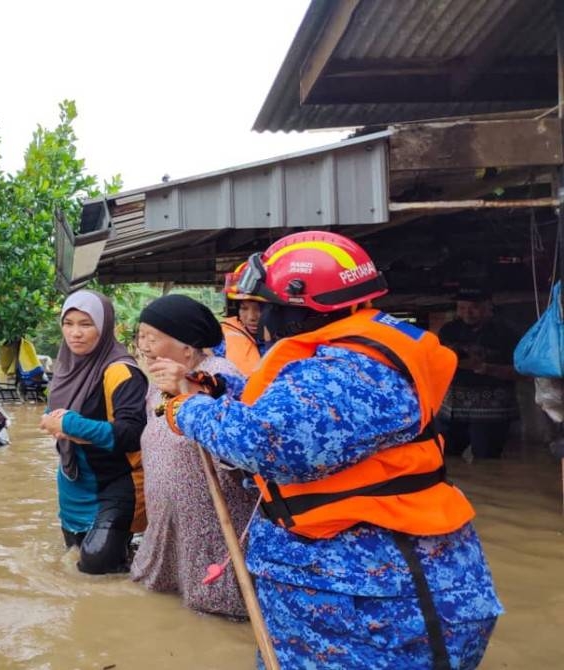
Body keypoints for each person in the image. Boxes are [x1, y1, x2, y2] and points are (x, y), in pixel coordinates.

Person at [153, 231, 502, 669]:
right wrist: (220, 388)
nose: (262, 318)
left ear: (302, 307)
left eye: (269, 307)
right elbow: (303, 413)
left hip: (374, 599)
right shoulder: (349, 357)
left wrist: (188, 410)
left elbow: (267, 441)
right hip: (362, 588)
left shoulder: (352, 369)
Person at [129, 293, 258, 618]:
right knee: (165, 608)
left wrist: (189, 387)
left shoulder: (218, 374)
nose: (143, 345)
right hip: (171, 518)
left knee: (214, 610)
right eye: (141, 335)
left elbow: (233, 419)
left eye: (152, 337)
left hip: (213, 522)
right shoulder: (158, 382)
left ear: (186, 346)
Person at [40, 289, 149, 574]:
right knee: (73, 557)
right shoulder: (65, 368)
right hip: (73, 482)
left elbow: (133, 434)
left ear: (104, 326)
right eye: (69, 323)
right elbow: (53, 415)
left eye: (86, 324)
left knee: (96, 564)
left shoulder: (122, 372)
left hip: (116, 482)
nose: (75, 333)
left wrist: (69, 425)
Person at [438, 287, 520, 460]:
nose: (467, 312)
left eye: (474, 307)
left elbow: (522, 371)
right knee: (446, 457)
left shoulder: (507, 332)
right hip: (451, 408)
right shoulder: (449, 330)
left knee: (486, 460)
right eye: (461, 307)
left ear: (489, 307)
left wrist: (484, 368)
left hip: (491, 410)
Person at [211, 262, 266, 375]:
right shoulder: (221, 340)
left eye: (259, 309)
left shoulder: (291, 343)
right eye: (244, 308)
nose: (251, 317)